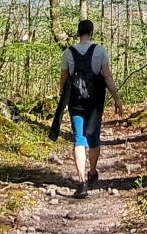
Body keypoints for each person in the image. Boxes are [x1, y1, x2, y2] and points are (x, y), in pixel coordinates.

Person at [57, 18, 123, 198]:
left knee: (79, 138)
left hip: (76, 101)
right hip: (95, 102)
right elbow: (107, 76)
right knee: (93, 138)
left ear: (78, 33)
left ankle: (81, 182)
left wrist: (62, 98)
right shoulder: (100, 51)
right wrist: (116, 98)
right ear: (92, 33)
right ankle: (92, 171)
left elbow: (64, 79)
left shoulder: (68, 53)